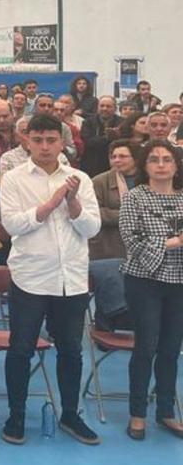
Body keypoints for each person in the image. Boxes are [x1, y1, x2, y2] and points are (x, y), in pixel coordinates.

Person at [0, 114, 102, 446]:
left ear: (62, 142)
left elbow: (92, 229)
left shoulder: (80, 178)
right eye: (38, 140)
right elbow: (12, 225)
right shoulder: (14, 178)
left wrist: (71, 204)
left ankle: (71, 414)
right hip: (30, 277)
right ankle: (16, 416)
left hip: (70, 278)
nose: (45, 147)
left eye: (51, 140)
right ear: (27, 140)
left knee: (71, 350)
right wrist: (50, 203)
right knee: (20, 349)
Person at [117, 140, 183, 440]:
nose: (161, 164)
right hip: (144, 280)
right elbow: (132, 241)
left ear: (176, 165)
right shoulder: (134, 198)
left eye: (167, 159)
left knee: (171, 349)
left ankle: (167, 411)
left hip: (179, 281)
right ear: (144, 165)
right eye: (154, 159)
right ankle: (138, 413)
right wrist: (172, 243)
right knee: (145, 346)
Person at [90, 140, 138, 331]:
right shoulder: (99, 181)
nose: (117, 160)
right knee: (109, 276)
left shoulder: (148, 180)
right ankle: (107, 324)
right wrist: (128, 215)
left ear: (135, 159)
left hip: (142, 244)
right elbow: (94, 213)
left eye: (123, 156)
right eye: (113, 156)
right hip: (107, 245)